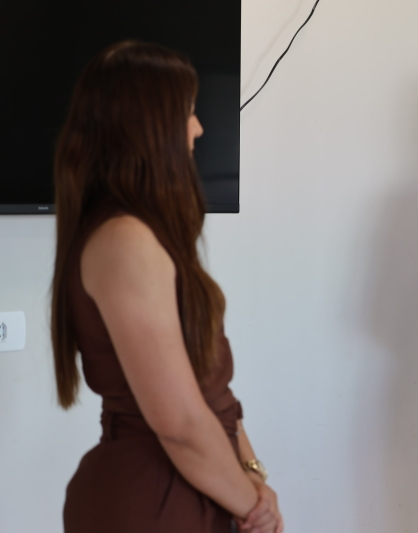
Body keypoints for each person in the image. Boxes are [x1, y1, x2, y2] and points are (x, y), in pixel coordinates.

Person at [50, 41, 283, 533]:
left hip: (194, 492)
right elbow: (179, 424)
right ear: (150, 127)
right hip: (155, 504)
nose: (198, 128)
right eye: (188, 112)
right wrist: (252, 505)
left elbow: (211, 394)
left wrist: (252, 475)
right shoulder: (124, 240)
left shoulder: (143, 235)